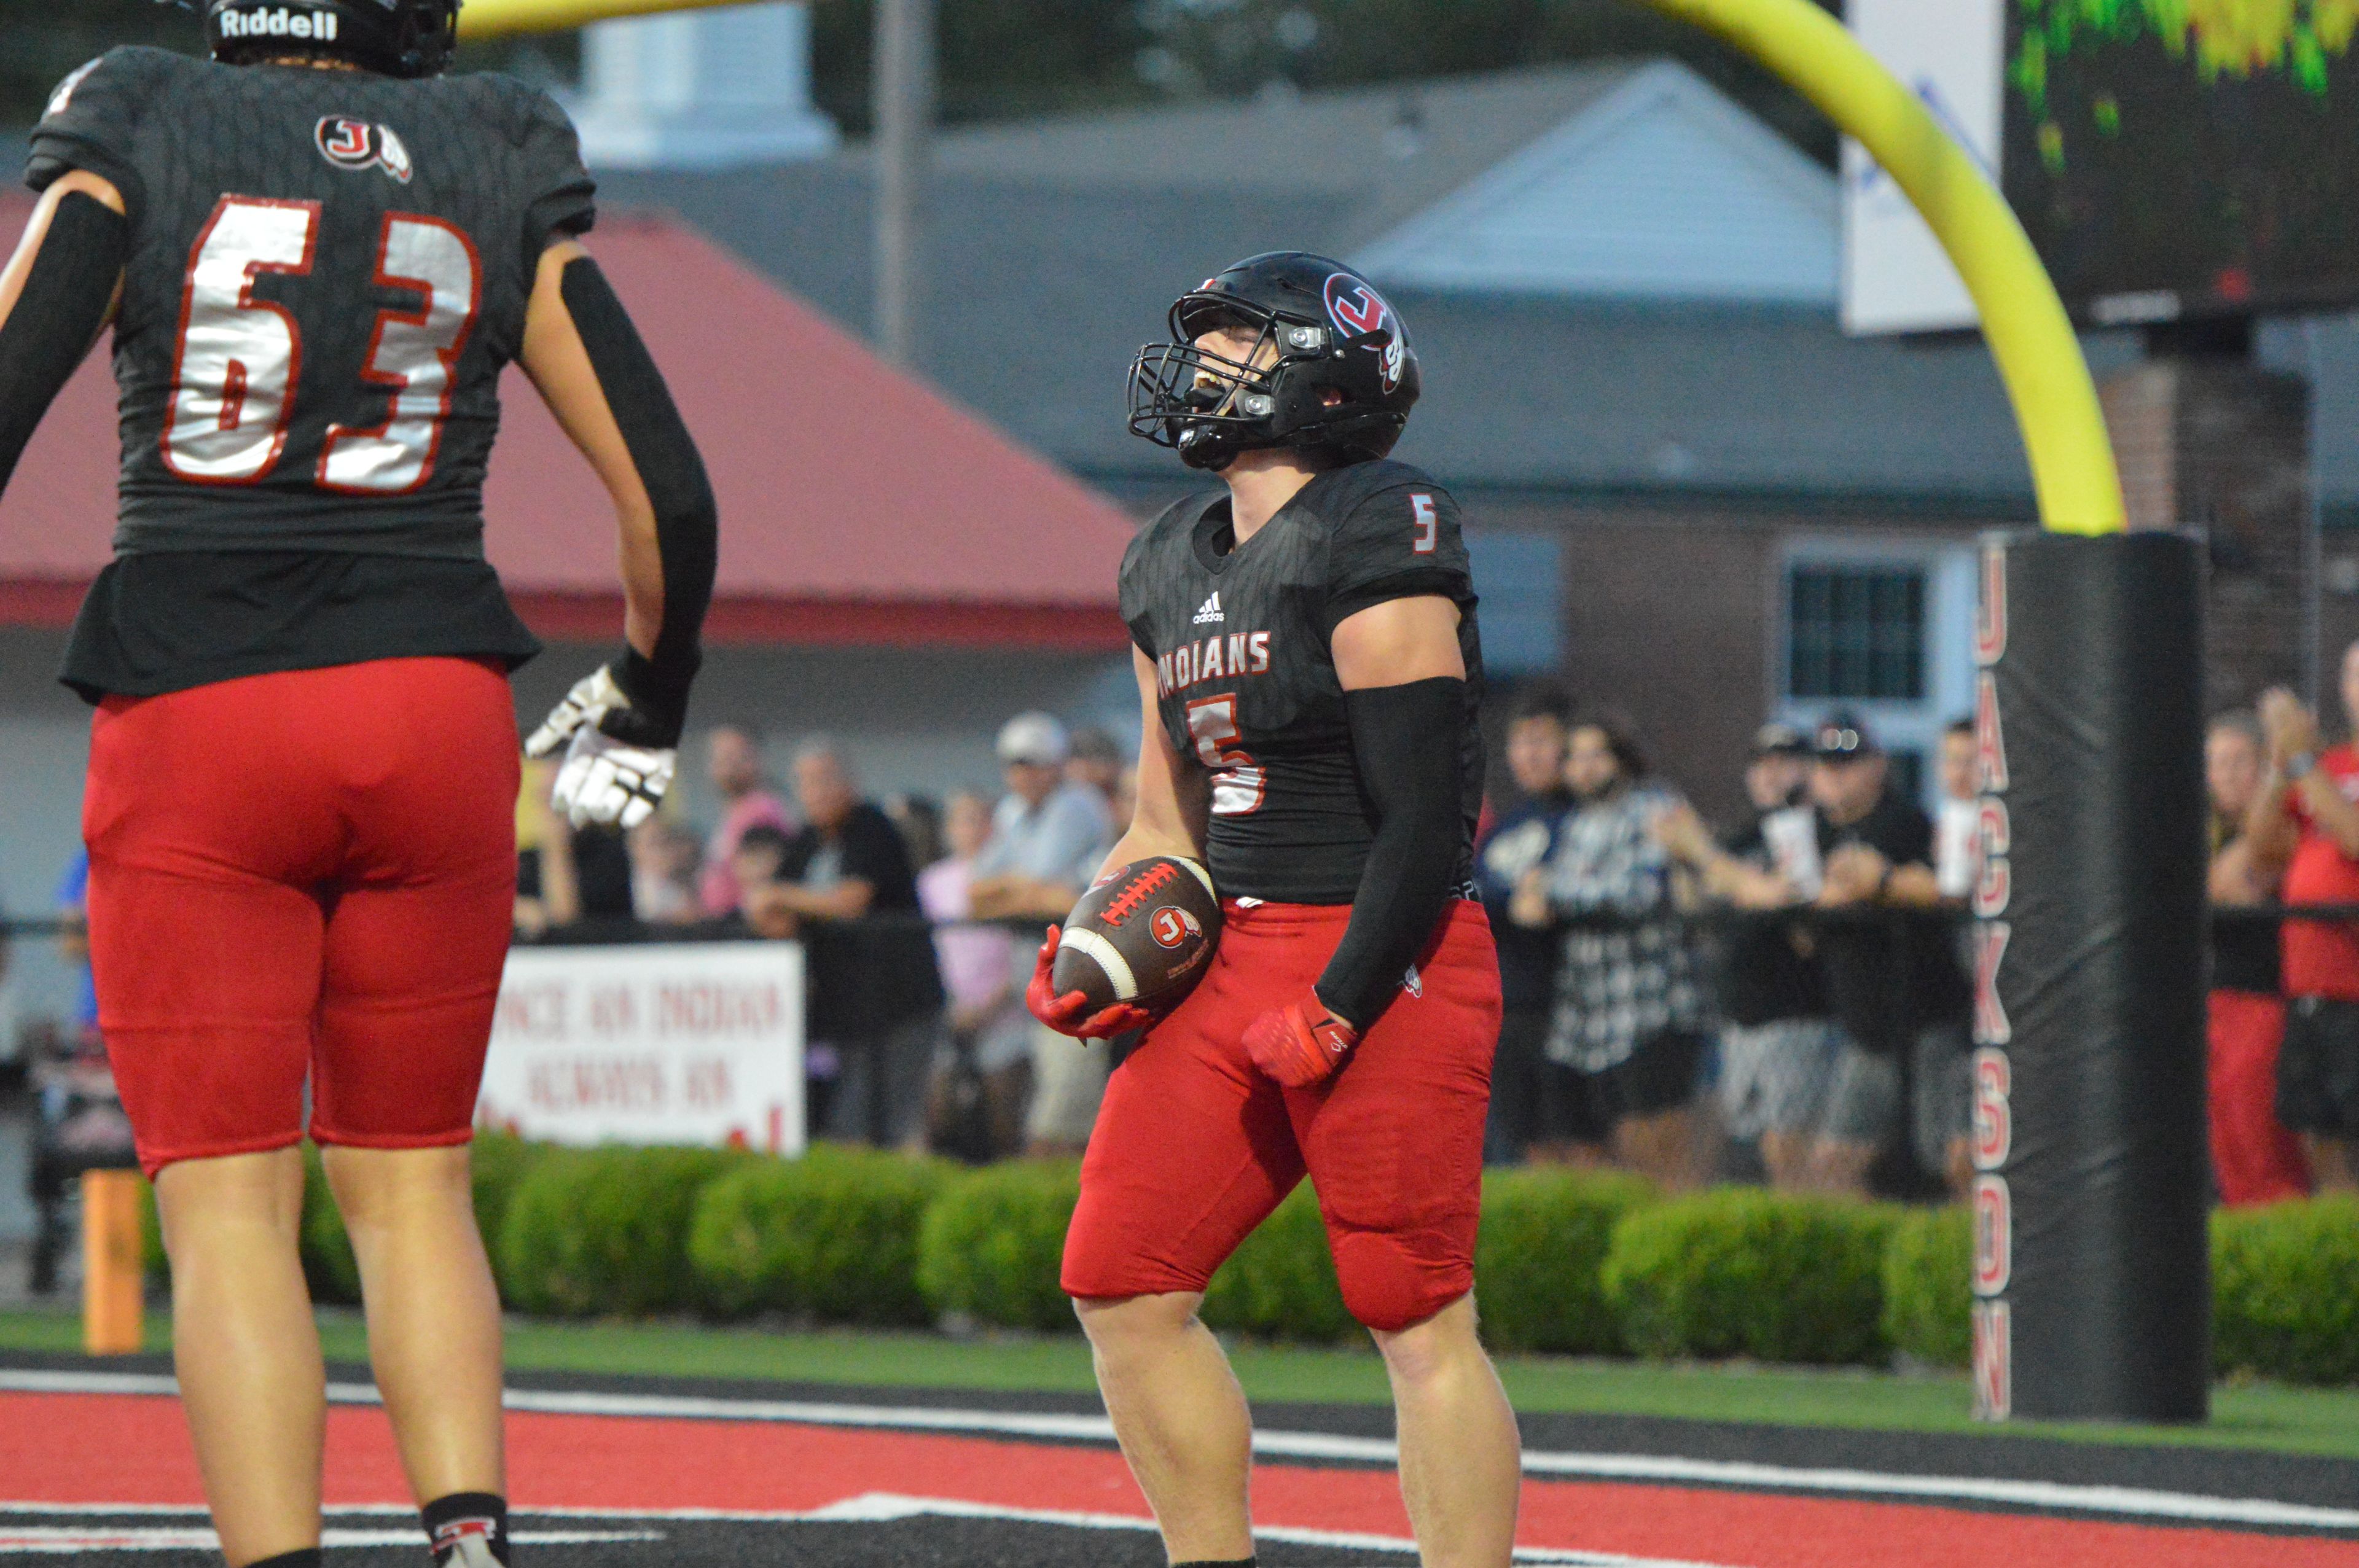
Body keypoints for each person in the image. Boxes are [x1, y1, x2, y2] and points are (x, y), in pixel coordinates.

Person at [0, 6, 718, 1565]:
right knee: (412, 1190)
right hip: (433, 708)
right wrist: (650, 704)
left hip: (202, 707)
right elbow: (668, 489)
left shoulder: (140, 116)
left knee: (232, 1211)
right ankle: (469, 1539)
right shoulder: (492, 142)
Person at [1031, 252, 1517, 1568]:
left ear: (1322, 366)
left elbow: (1426, 816)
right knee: (1122, 1279)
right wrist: (1101, 935)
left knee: (1411, 1310)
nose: (1202, 363)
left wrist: (1344, 1001)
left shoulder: (1378, 519)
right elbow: (1163, 817)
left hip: (1387, 942)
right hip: (1237, 946)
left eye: (1237, 341)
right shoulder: (1163, 561)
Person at [1510, 714, 1705, 1187]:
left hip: (1653, 1008)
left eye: (1597, 754)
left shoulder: (1653, 807)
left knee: (1656, 1143)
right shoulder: (1577, 823)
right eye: (1575, 757)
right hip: (1592, 1018)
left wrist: (1553, 892)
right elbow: (1526, 900)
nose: (1585, 767)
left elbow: (1635, 892)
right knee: (1611, 1150)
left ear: (1622, 758)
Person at [1655, 723, 1834, 1190]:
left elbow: (1776, 894)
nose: (1771, 774)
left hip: (1797, 1013)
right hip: (1739, 1018)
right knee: (1733, 1153)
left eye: (1784, 762)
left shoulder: (1812, 830)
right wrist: (1683, 856)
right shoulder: (1743, 836)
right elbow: (1700, 905)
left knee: (1790, 1151)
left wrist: (1704, 852)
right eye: (1762, 764)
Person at [1802, 713, 1958, 1196]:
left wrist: (1873, 882)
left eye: (1849, 763)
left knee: (1955, 1160)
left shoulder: (1903, 820)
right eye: (1828, 765)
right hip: (1866, 1029)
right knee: (1835, 1161)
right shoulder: (1813, 829)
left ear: (1877, 766)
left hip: (1927, 1021)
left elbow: (1933, 888)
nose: (1836, 775)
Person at [765, 739, 944, 1149]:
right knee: (850, 1123)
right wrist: (780, 900)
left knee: (877, 1127)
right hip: (848, 1015)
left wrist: (784, 898)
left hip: (902, 1007)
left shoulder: (872, 827)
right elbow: (768, 907)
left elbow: (850, 901)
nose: (818, 792)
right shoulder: (807, 840)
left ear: (850, 783)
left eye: (827, 780)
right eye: (808, 783)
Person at [969, 711, 1116, 1156]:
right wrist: (1028, 890)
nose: (1023, 774)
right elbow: (976, 894)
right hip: (1030, 985)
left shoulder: (1077, 804)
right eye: (1015, 764)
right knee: (1031, 1114)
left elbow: (1049, 891)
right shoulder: (1015, 813)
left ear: (1056, 764)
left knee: (1063, 1125)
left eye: (1033, 762)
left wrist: (1020, 890)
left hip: (1075, 981)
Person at [2247, 654, 2359, 1194]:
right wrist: (2278, 762)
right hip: (2309, 981)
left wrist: (2300, 766)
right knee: (2317, 1129)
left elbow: (2354, 837)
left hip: (2356, 988)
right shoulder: (2326, 765)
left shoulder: (2315, 772)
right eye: (2355, 675)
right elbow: (2264, 849)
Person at [2204, 710, 2308, 1204]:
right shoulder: (2210, 831)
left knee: (2262, 1139)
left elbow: (2235, 882)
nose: (2225, 774)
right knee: (2227, 1146)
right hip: (2218, 1003)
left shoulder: (2286, 827)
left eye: (2238, 761)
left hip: (2266, 1002)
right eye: (2216, 763)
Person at [1473, 684, 1573, 1165]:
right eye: (1521, 742)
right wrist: (1515, 899)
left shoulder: (1579, 818)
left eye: (1542, 740)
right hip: (1509, 1005)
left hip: (1565, 1004)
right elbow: (1479, 891)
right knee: (1528, 1142)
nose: (1530, 755)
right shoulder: (1509, 826)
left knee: (1575, 1142)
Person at [919, 790, 1034, 1160]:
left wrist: (994, 1002)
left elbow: (1021, 949)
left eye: (979, 819)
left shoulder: (1011, 877)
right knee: (941, 1114)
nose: (970, 829)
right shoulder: (931, 882)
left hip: (1007, 1011)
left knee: (1005, 1116)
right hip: (951, 1015)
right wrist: (950, 1007)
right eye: (961, 820)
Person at [696, 725, 792, 916]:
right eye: (719, 757)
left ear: (757, 760)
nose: (727, 766)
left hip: (745, 925)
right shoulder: (733, 813)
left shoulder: (762, 812)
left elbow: (761, 878)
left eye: (734, 756)